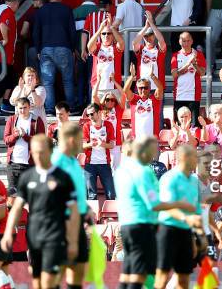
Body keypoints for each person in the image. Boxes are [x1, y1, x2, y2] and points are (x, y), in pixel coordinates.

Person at [115, 136, 197, 288]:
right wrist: (179, 204)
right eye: (152, 150)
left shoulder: (121, 171)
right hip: (142, 225)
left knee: (128, 272)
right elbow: (154, 203)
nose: (155, 154)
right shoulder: (142, 171)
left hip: (127, 224)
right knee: (139, 274)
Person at [1, 134, 79, 289]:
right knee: (37, 282)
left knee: (48, 280)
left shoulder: (63, 178)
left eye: (41, 152)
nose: (37, 156)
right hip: (35, 236)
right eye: (34, 152)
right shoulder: (27, 177)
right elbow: (17, 207)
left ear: (50, 152)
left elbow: (74, 211)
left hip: (55, 235)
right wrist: (9, 232)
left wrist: (73, 239)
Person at [154, 144, 203, 289]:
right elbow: (168, 207)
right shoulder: (169, 178)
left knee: (184, 279)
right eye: (195, 157)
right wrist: (186, 218)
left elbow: (197, 210)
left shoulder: (194, 180)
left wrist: (198, 235)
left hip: (186, 232)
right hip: (168, 231)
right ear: (184, 158)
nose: (197, 160)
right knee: (162, 278)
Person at [50, 122, 89, 289]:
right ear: (72, 140)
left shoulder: (73, 160)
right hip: (62, 222)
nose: (83, 143)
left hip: (77, 219)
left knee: (79, 268)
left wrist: (86, 208)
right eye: (81, 139)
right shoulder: (56, 162)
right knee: (59, 270)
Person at [33, 0, 77, 115]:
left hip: (45, 48)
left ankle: (50, 109)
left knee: (47, 81)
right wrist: (73, 48)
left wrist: (38, 49)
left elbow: (36, 32)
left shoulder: (41, 11)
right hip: (64, 48)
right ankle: (71, 108)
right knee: (68, 80)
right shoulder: (67, 9)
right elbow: (72, 31)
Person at [4, 97, 45, 195]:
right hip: (13, 164)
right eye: (20, 108)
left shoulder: (37, 120)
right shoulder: (12, 120)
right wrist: (15, 135)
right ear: (17, 108)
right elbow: (6, 140)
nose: (22, 110)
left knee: (31, 196)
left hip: (31, 165)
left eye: (25, 108)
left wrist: (25, 136)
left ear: (30, 107)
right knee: (12, 197)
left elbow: (41, 143)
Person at [171, 31, 206, 127]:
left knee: (194, 125)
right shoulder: (175, 55)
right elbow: (174, 74)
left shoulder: (198, 54)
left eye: (188, 41)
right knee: (179, 124)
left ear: (192, 41)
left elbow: (202, 73)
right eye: (183, 41)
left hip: (193, 95)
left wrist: (194, 64)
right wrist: (188, 64)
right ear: (179, 42)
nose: (186, 44)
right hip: (179, 95)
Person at [92, 71, 126, 171]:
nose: (110, 102)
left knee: (116, 168)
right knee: (104, 168)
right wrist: (98, 81)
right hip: (103, 141)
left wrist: (114, 81)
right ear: (104, 100)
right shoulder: (100, 109)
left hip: (116, 142)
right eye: (108, 99)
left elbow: (123, 95)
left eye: (112, 100)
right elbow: (94, 96)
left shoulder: (118, 110)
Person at [132, 10, 167, 106]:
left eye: (151, 35)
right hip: (141, 87)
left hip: (157, 88)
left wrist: (151, 24)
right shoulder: (141, 49)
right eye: (145, 36)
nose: (148, 38)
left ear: (154, 35)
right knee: (142, 114)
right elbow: (134, 43)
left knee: (158, 117)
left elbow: (162, 40)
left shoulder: (159, 50)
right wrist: (146, 27)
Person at [81, 0, 112, 104]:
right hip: (108, 53)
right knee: (108, 80)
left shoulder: (90, 16)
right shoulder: (110, 17)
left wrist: (83, 50)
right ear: (108, 6)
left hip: (93, 52)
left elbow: (85, 33)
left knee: (93, 79)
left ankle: (92, 104)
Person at [82, 103, 116, 200]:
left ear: (99, 112)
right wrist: (90, 144)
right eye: (88, 115)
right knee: (92, 196)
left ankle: (111, 215)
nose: (90, 117)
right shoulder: (86, 126)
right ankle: (93, 215)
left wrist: (102, 144)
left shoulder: (108, 125)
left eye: (92, 114)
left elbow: (112, 145)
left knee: (111, 194)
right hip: (90, 165)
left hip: (104, 164)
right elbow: (83, 145)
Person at [73, 0, 98, 111]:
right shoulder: (99, 11)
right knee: (92, 77)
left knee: (81, 77)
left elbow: (72, 33)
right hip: (96, 52)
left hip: (79, 51)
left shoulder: (75, 12)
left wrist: (75, 49)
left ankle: (79, 103)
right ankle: (90, 102)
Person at [124, 64, 164, 139]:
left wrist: (152, 76)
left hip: (152, 140)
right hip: (137, 139)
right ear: (137, 88)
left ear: (149, 88)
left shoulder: (155, 99)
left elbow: (160, 88)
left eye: (145, 87)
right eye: (140, 88)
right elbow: (125, 90)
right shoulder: (134, 99)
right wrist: (132, 76)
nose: (143, 90)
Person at [88, 14, 125, 93]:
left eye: (109, 33)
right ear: (100, 36)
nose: (106, 36)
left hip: (114, 86)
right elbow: (89, 46)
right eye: (103, 34)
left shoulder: (116, 48)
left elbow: (121, 42)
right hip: (97, 86)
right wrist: (99, 30)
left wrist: (112, 27)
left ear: (112, 35)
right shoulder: (97, 46)